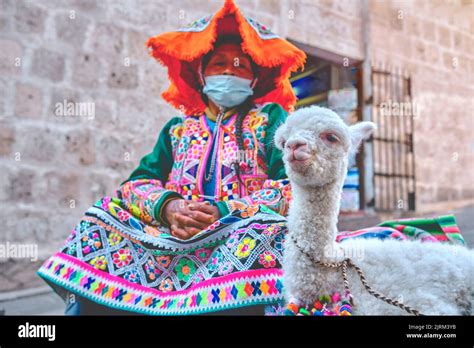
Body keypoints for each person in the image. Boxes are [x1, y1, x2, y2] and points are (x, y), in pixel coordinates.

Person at [38, 0, 466, 315]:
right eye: (218, 63)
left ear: (256, 74)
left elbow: (292, 187)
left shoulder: (272, 121)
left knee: (275, 237)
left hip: (240, 234)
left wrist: (224, 210)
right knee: (97, 219)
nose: (229, 70)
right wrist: (169, 207)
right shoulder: (176, 130)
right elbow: (136, 184)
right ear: (200, 73)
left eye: (240, 64)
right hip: (175, 237)